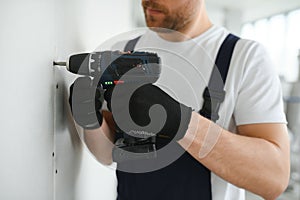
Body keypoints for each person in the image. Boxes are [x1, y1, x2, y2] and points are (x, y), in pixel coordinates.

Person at [69, 0, 290, 199]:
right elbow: (109, 154)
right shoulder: (126, 52)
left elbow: (273, 178)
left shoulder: (244, 57)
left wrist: (182, 123)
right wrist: (92, 122)